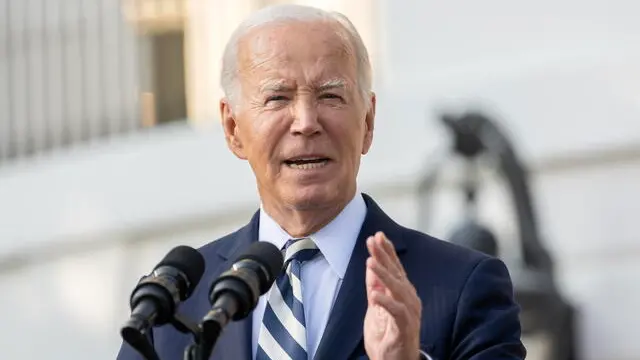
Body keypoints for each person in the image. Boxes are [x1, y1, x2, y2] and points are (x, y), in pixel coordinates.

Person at [117, 4, 526, 360]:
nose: (307, 122)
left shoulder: (460, 286)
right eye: (277, 98)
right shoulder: (173, 302)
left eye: (330, 96)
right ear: (232, 127)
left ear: (367, 122)